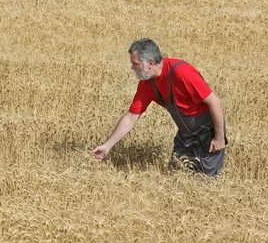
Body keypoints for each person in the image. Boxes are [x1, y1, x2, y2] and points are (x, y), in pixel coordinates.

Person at [91, 38, 227, 176]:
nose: (132, 68)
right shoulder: (147, 84)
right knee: (174, 177)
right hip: (185, 134)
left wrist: (219, 138)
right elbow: (131, 117)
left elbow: (214, 102)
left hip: (206, 131)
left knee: (206, 180)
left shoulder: (182, 72)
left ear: (150, 63)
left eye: (135, 64)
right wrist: (107, 146)